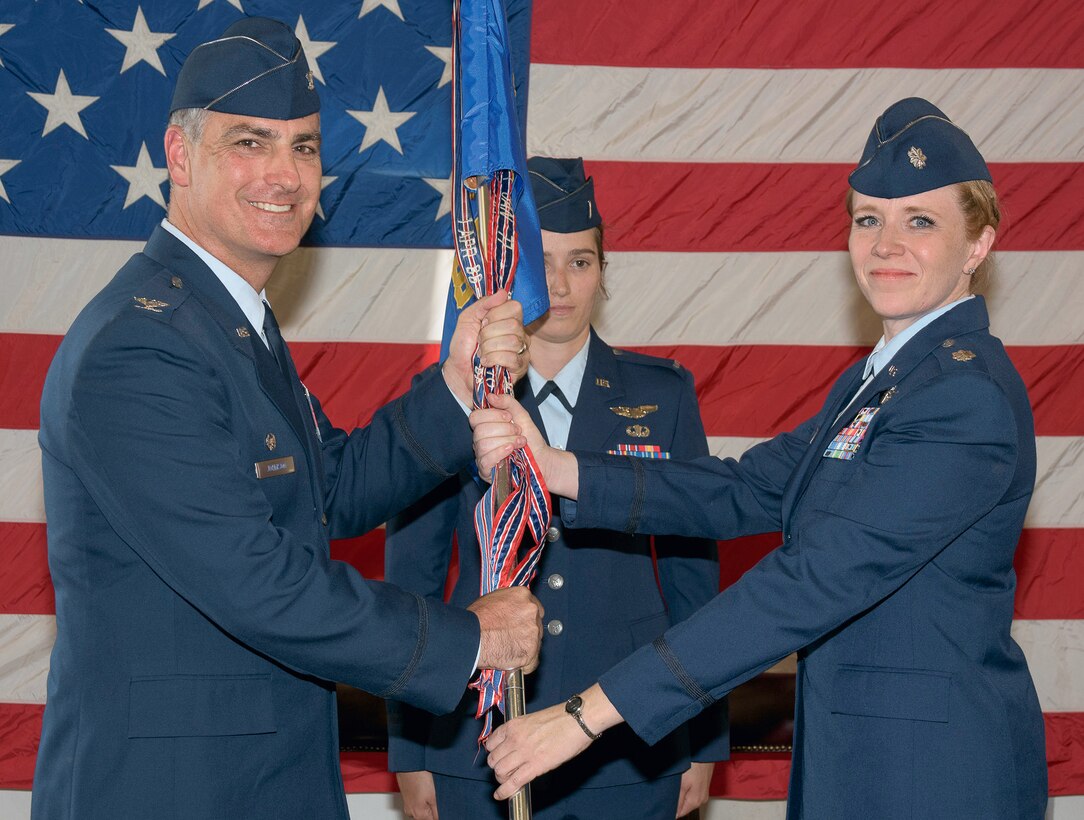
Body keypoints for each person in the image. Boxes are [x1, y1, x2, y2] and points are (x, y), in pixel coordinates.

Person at [476, 98, 1048, 819]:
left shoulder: (961, 397)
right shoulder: (884, 380)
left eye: (921, 222)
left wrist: (588, 714)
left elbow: (812, 581)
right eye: (868, 218)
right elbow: (743, 489)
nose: (885, 244)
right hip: (860, 760)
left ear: (978, 245)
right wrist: (556, 468)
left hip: (930, 778)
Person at [32, 17, 542, 820]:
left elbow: (322, 488)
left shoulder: (224, 323)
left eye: (303, 147)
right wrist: (466, 639)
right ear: (178, 155)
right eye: (250, 142)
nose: (284, 174)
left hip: (262, 779)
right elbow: (254, 580)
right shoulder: (141, 346)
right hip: (172, 793)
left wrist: (451, 385)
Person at [385, 157, 726, 819]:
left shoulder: (663, 396)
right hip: (476, 738)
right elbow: (412, 585)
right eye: (544, 263)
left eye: (582, 261)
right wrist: (409, 748)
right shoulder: (454, 398)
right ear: (511, 275)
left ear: (603, 271)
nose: (565, 286)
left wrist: (704, 739)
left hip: (627, 735)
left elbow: (694, 583)